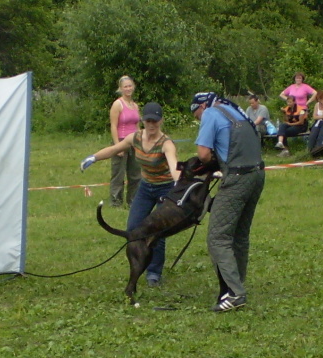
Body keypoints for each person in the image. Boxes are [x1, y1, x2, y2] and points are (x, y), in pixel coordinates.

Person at [80, 102, 180, 287]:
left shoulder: (166, 143)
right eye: (148, 121)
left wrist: (178, 182)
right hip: (145, 187)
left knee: (158, 232)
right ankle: (137, 265)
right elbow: (114, 149)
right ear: (143, 120)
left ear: (161, 121)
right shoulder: (135, 137)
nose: (151, 125)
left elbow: (174, 165)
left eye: (155, 122)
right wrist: (93, 157)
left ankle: (154, 272)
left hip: (165, 189)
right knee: (133, 229)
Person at [190, 92, 265, 312]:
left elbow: (203, 153)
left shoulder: (211, 114)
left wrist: (212, 163)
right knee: (239, 236)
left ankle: (234, 293)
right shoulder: (236, 111)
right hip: (257, 175)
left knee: (218, 237)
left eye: (197, 116)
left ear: (201, 107)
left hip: (237, 179)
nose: (199, 120)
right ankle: (236, 284)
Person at [108, 75, 141, 207]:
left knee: (135, 175)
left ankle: (133, 201)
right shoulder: (117, 104)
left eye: (130, 86)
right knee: (118, 174)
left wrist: (140, 142)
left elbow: (137, 126)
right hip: (121, 141)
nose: (128, 88)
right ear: (121, 89)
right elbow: (113, 125)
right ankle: (116, 202)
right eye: (125, 86)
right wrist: (117, 146)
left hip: (134, 141)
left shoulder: (135, 105)